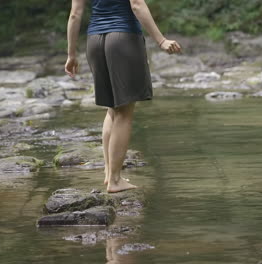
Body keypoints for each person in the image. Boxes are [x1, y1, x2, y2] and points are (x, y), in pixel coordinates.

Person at [65, 0, 182, 193]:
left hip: (95, 41)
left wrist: (71, 54)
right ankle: (115, 180)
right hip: (123, 39)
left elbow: (75, 14)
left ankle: (109, 173)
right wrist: (161, 40)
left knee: (112, 108)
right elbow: (136, 4)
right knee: (124, 112)